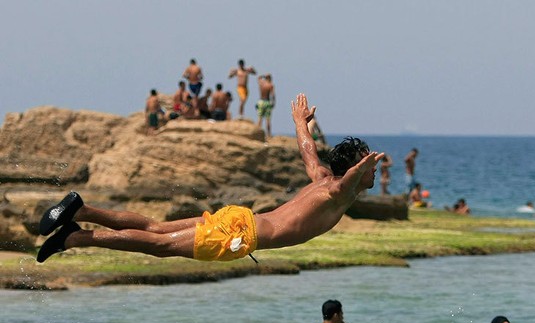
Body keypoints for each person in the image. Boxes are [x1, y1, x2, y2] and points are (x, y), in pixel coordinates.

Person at [36, 94, 385, 263]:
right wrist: (362, 165)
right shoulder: (338, 192)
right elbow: (348, 181)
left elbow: (309, 151)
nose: (375, 171)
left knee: (157, 229)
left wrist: (298, 123)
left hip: (240, 219)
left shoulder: (321, 179)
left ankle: (80, 212)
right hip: (240, 235)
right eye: (369, 166)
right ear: (354, 170)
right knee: (159, 246)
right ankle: (77, 240)